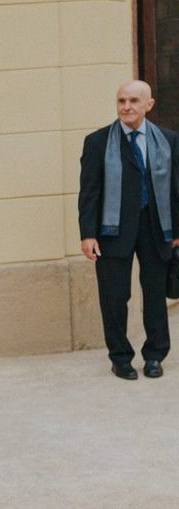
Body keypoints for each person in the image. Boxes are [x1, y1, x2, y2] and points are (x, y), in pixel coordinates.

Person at [79, 80, 179, 380]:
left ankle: (155, 355)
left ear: (149, 105)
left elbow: (176, 189)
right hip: (113, 230)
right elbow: (89, 192)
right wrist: (88, 234)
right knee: (114, 296)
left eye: (134, 101)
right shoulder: (97, 142)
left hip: (156, 227)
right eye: (122, 100)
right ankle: (120, 357)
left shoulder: (169, 140)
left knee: (155, 293)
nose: (126, 106)